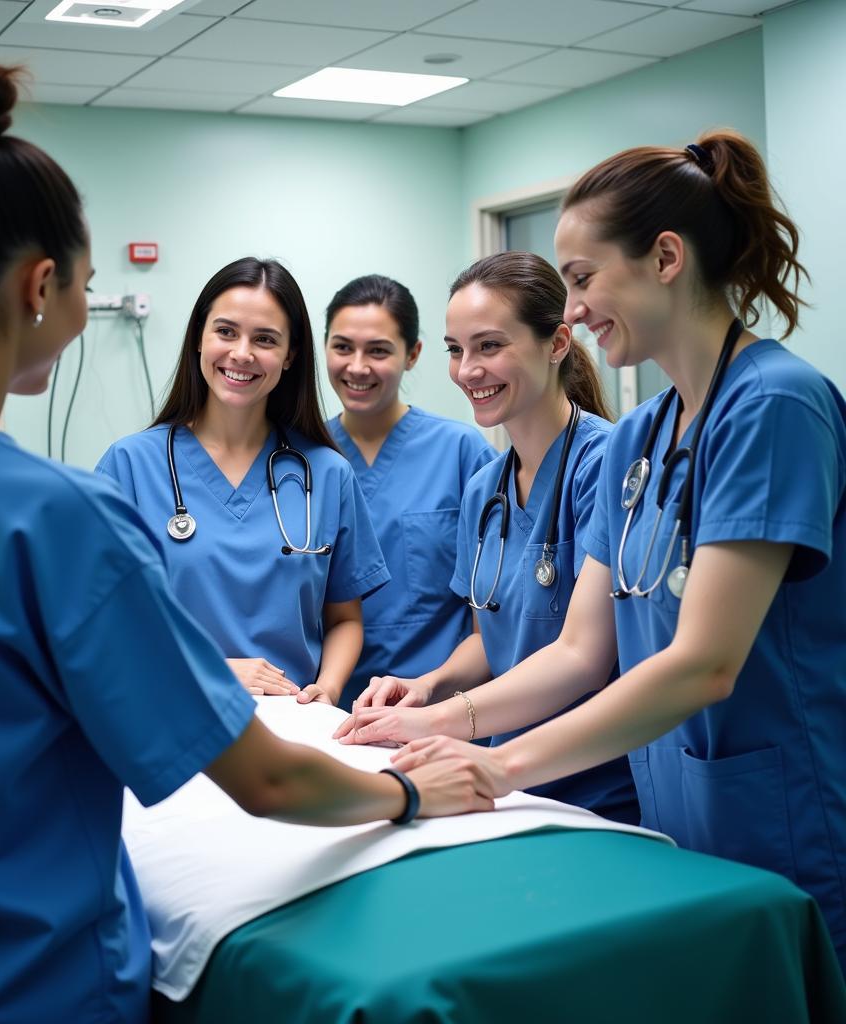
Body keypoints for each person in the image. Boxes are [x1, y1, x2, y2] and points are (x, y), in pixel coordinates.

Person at [0, 52, 494, 1024]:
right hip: (29, 982)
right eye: (87, 285)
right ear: (41, 285)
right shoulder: (56, 510)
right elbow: (260, 778)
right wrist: (406, 791)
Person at [339, 130, 846, 973]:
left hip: (781, 815)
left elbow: (703, 665)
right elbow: (582, 651)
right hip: (670, 813)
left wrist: (499, 765)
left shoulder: (776, 406)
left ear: (667, 258)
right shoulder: (644, 436)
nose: (570, 308)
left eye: (582, 279)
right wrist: (437, 727)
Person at [339, 254, 638, 824]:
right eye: (456, 349)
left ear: (556, 344)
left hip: (597, 784)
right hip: (510, 781)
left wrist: (437, 722)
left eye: (490, 346)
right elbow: (492, 638)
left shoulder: (605, 466)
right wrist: (427, 686)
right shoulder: (485, 489)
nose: (467, 370)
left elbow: (584, 658)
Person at [96, 258, 389, 707]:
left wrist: (327, 690)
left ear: (290, 355)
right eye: (226, 332)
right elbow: (102, 619)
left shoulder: (328, 474)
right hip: (168, 712)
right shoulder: (131, 465)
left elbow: (345, 618)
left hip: (293, 723)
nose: (242, 353)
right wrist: (215, 668)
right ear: (199, 338)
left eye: (265, 339)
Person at [323, 275, 494, 709]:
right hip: (328, 708)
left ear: (413, 354)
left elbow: (489, 617)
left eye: (378, 350)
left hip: (440, 705)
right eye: (342, 347)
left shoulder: (461, 452)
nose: (357, 366)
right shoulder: (303, 460)